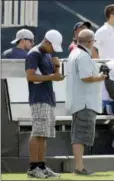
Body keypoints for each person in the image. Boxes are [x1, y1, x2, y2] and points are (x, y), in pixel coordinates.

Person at [65, 29, 107, 175]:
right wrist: (101, 77)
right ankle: (79, 167)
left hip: (80, 101)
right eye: (93, 41)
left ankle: (79, 166)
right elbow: (86, 77)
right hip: (85, 103)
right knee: (80, 136)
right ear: (90, 42)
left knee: (79, 135)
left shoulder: (74, 53)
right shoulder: (82, 56)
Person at [25, 29, 64, 178]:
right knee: (38, 132)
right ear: (46, 42)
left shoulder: (46, 54)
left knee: (44, 134)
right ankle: (33, 168)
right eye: (52, 46)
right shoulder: (34, 54)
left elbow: (53, 76)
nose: (54, 50)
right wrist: (53, 76)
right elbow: (30, 77)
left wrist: (57, 66)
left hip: (47, 98)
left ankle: (41, 166)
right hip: (38, 97)